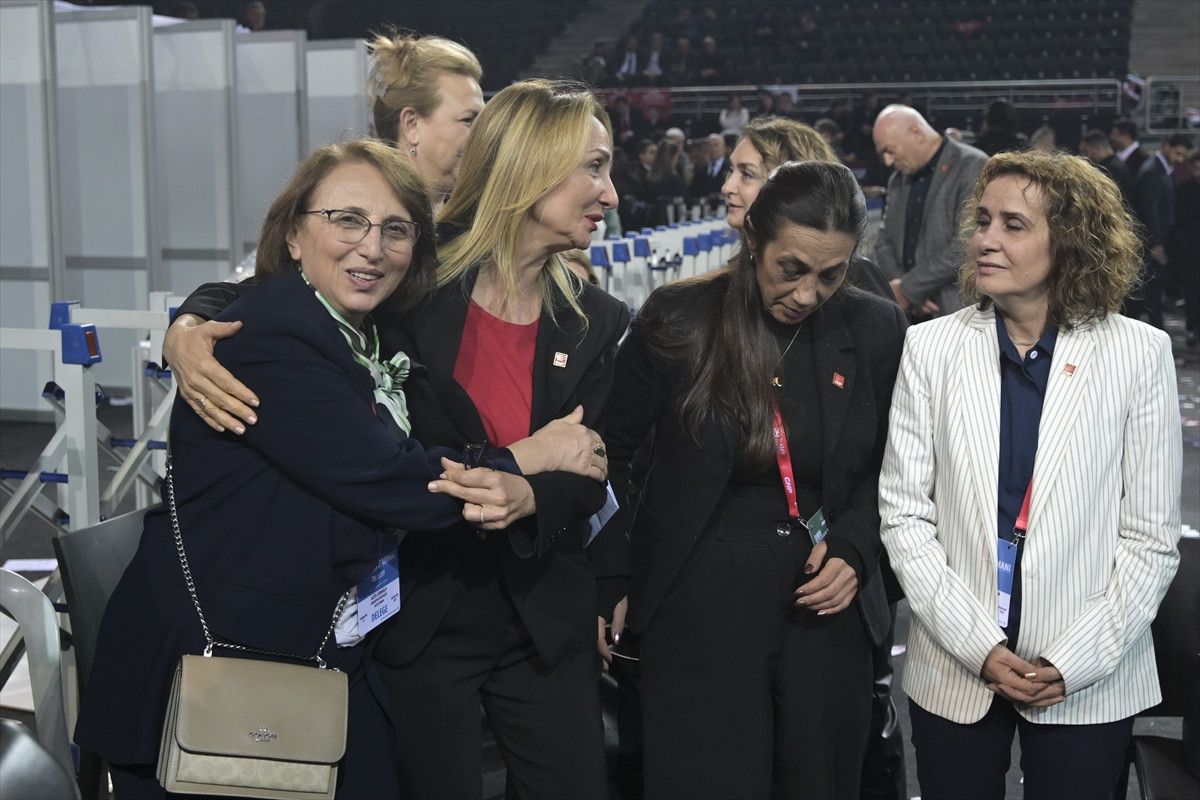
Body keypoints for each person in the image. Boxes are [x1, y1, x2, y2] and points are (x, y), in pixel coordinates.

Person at [73, 140, 601, 799]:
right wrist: (533, 455)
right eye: (347, 220)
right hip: (227, 670)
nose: (372, 247)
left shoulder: (363, 328)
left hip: (322, 650)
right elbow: (397, 483)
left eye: (395, 229)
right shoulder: (271, 336)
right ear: (294, 235)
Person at [879, 150, 1182, 800]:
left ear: (1070, 244)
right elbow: (904, 517)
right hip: (955, 667)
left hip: (1089, 673)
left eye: (1013, 225)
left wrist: (1074, 661)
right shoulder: (929, 348)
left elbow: (1151, 540)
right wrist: (978, 646)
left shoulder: (1138, 354)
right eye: (983, 220)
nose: (985, 239)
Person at [607, 161, 906, 798]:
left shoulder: (876, 328)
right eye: (790, 269)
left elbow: (898, 467)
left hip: (825, 602)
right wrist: (616, 576)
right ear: (752, 241)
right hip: (699, 597)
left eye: (831, 275)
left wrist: (856, 547)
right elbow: (608, 453)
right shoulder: (679, 318)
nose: (808, 294)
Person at [368, 79, 630, 799]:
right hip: (421, 609)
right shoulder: (406, 278)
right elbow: (280, 284)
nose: (610, 195)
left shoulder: (596, 321)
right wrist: (192, 322)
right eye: (595, 167)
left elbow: (592, 470)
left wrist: (531, 497)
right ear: (530, 165)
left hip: (542, 613)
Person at [723, 116, 892, 300]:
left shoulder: (857, 278)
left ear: (793, 186)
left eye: (747, 174)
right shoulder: (733, 276)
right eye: (731, 170)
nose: (727, 187)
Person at [872, 104, 988, 320]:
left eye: (890, 150)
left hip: (955, 313)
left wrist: (909, 289)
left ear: (916, 133)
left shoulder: (972, 165)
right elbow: (884, 240)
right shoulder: (897, 180)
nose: (888, 161)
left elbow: (966, 244)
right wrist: (902, 291)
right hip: (908, 314)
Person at [367, 31, 485, 215]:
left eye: (482, 121)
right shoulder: (370, 220)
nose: (484, 134)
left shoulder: (468, 219)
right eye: (468, 120)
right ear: (411, 124)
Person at [1126, 133, 1192, 329]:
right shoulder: (1153, 171)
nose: (1179, 159)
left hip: (1153, 243)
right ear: (1166, 146)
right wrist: (1156, 244)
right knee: (1150, 297)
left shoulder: (1158, 170)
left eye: (1183, 156)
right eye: (1177, 153)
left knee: (1147, 298)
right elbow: (1149, 210)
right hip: (1151, 246)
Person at [1079, 128, 1134, 205]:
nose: (1083, 156)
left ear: (1096, 149)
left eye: (1085, 151)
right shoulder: (1117, 164)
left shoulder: (1109, 170)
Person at [688, 132, 728, 205]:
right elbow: (693, 192)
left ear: (724, 148)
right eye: (709, 145)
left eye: (716, 145)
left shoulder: (730, 168)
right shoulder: (699, 170)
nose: (712, 149)